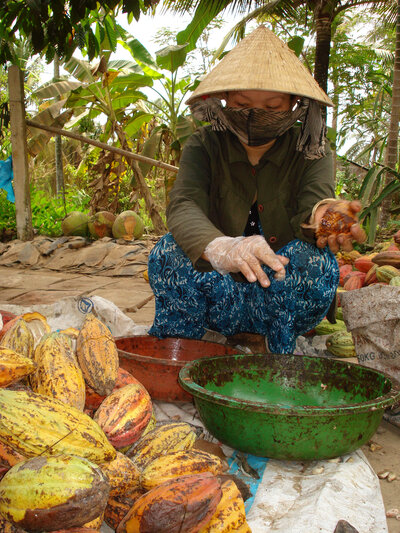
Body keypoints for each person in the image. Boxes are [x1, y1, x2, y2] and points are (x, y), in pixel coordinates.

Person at [147, 25, 365, 354]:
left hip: (279, 295)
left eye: (273, 106)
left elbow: (316, 202)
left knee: (316, 262)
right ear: (224, 100)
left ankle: (275, 350)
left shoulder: (311, 151)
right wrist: (223, 247)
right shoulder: (204, 145)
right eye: (242, 102)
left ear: (295, 104)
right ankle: (185, 350)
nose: (254, 114)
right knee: (167, 252)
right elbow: (184, 205)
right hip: (219, 291)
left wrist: (322, 215)